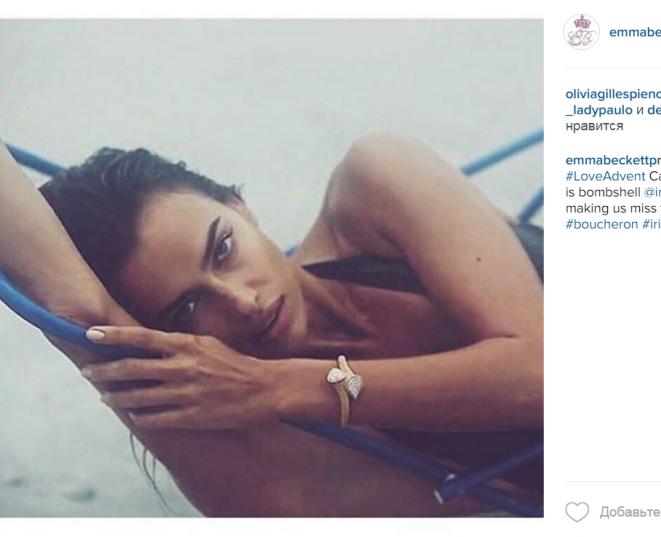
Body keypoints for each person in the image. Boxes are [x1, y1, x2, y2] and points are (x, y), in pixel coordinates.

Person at [0, 131, 542, 515]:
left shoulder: (372, 191)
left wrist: (281, 386)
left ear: (240, 206)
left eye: (223, 248)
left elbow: (543, 372)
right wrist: (276, 395)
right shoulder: (282, 455)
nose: (243, 302)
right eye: (187, 310)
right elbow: (79, 314)